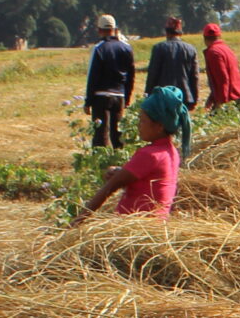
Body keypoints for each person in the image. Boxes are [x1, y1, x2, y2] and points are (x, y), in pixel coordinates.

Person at [73, 84, 188, 224]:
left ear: (159, 126)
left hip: (135, 227)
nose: (139, 125)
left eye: (142, 121)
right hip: (155, 227)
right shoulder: (171, 152)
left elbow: (108, 189)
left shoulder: (149, 155)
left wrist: (76, 223)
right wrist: (120, 172)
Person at [82, 15, 135, 149]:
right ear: (115, 29)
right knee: (118, 133)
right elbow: (131, 76)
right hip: (119, 96)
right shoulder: (126, 48)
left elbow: (92, 76)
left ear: (99, 30)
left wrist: (88, 101)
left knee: (101, 134)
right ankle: (120, 162)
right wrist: (127, 97)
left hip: (101, 96)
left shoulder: (99, 48)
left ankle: (101, 164)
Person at [149, 16, 200, 110]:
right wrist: (195, 98)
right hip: (185, 98)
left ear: (166, 32)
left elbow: (153, 74)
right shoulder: (191, 49)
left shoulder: (158, 48)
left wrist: (148, 95)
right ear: (180, 32)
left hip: (163, 97)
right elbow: (195, 76)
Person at [201, 21, 240, 109]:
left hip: (230, 98)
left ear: (205, 38)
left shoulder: (213, 53)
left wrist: (220, 102)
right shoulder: (226, 49)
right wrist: (211, 98)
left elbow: (222, 79)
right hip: (239, 94)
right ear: (219, 36)